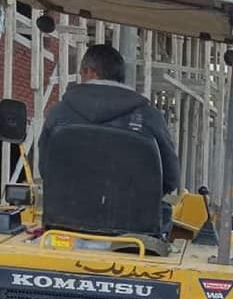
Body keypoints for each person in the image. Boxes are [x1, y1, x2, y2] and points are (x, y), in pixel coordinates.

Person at [39, 44, 181, 199]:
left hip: (68, 211)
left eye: (81, 74)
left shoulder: (59, 114)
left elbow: (46, 170)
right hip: (134, 212)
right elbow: (171, 178)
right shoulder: (150, 117)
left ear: (90, 73)